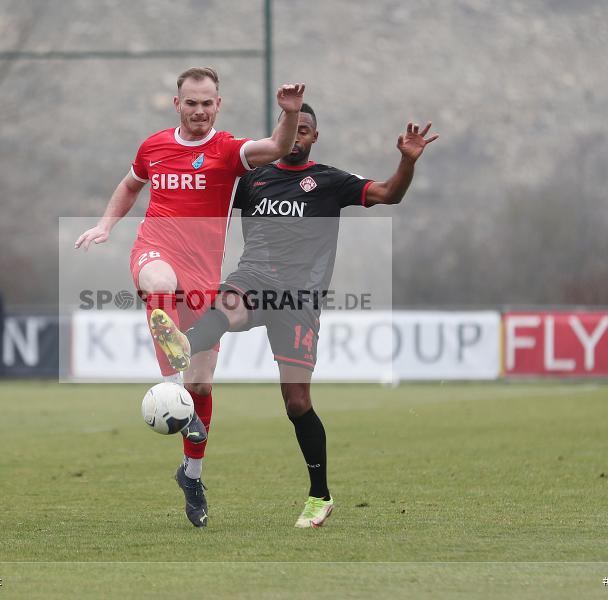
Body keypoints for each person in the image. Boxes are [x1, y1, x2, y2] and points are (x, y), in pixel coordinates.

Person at [150, 103, 439, 528]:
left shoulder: (330, 182)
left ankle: (319, 496)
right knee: (225, 306)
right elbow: (207, 205)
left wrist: (406, 162)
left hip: (299, 299)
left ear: (314, 137)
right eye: (292, 129)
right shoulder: (253, 179)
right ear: (281, 134)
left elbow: (389, 193)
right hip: (253, 279)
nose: (298, 136)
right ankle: (185, 345)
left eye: (305, 130)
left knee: (297, 403)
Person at [75, 67, 306, 527]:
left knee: (203, 387)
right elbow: (130, 184)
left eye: (207, 103)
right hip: (156, 249)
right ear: (176, 104)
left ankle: (192, 475)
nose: (199, 110)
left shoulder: (228, 152)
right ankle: (172, 387)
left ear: (218, 105)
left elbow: (278, 147)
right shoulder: (154, 147)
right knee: (159, 283)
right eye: (191, 102)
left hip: (205, 277)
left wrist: (291, 113)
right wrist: (105, 225)